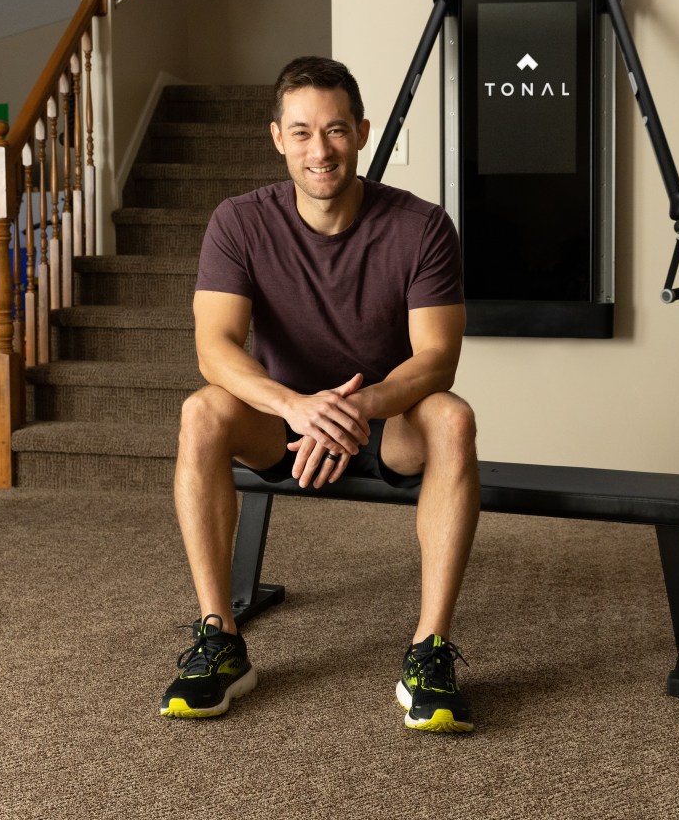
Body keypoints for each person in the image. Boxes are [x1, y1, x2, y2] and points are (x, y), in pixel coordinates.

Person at [159, 56, 482, 733]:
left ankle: (430, 650)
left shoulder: (422, 226)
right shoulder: (239, 222)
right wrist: (294, 405)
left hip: (386, 421)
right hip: (284, 425)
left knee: (452, 419)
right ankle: (221, 640)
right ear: (277, 137)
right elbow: (214, 346)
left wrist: (357, 408)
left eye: (335, 131)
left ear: (361, 133)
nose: (320, 150)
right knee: (200, 411)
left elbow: (437, 360)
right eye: (301, 132)